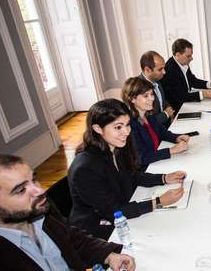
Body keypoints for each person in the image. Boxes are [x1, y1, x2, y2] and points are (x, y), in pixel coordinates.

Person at [0, 154, 136, 271]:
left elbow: (71, 237)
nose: (40, 190)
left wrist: (107, 254)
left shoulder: (37, 207)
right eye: (21, 190)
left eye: (33, 179)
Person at [68, 99, 186, 239]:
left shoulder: (115, 146)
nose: (126, 132)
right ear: (98, 129)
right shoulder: (86, 168)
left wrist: (164, 178)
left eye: (127, 125)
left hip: (121, 210)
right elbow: (113, 211)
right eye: (118, 127)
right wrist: (158, 202)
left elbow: (132, 175)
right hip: (96, 233)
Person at [122, 77, 189, 170]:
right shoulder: (129, 124)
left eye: (152, 94)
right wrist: (172, 150)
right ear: (132, 99)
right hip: (147, 169)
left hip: (158, 162)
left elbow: (162, 133)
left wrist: (176, 137)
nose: (152, 98)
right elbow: (142, 157)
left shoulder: (148, 114)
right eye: (146, 96)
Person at [160, 39, 211, 112]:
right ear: (178, 55)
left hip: (186, 103)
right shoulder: (170, 70)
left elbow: (192, 80)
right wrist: (204, 94)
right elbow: (180, 96)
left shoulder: (182, 63)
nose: (191, 58)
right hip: (178, 109)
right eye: (188, 56)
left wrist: (210, 84)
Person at [139, 50, 175, 126]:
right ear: (147, 70)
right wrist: (166, 114)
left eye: (164, 68)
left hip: (165, 127)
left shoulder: (157, 80)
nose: (164, 72)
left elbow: (162, 101)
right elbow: (144, 122)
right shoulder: (138, 88)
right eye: (160, 69)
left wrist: (169, 108)